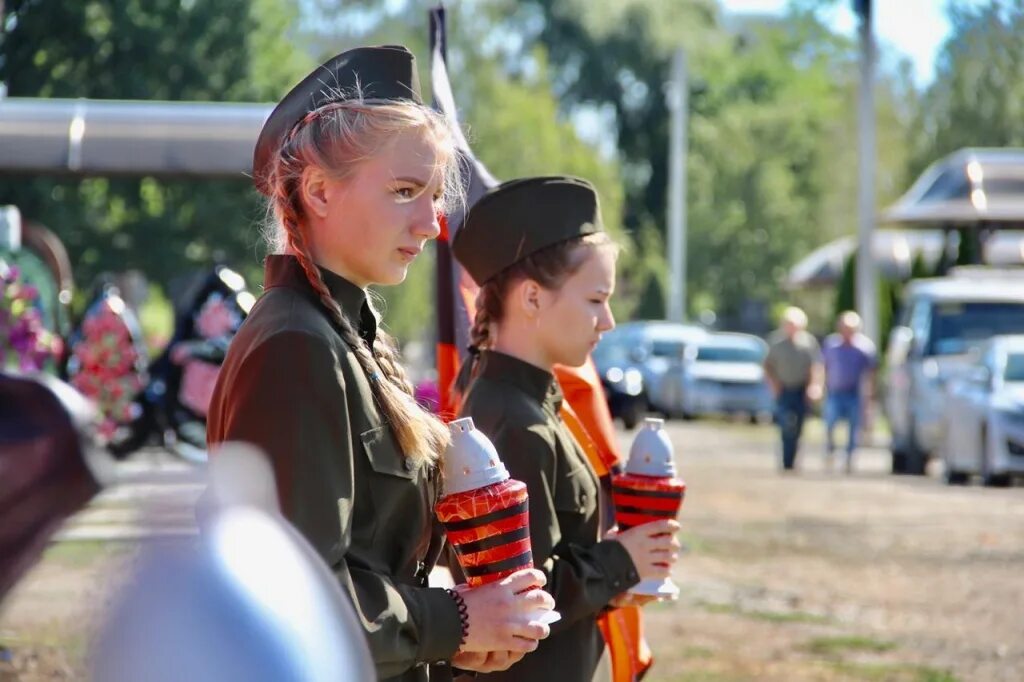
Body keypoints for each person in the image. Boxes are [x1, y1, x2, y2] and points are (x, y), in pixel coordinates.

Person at [206, 46, 553, 681]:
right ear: (318, 191)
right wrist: (459, 620)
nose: (430, 222)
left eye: (433, 195)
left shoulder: (347, 336)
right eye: (404, 191)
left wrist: (474, 618)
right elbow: (298, 598)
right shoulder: (296, 346)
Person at [451, 177, 681, 682]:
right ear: (532, 298)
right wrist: (622, 560)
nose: (609, 322)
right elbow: (523, 600)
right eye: (596, 299)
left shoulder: (531, 404)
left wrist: (618, 573)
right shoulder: (514, 422)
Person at [764, 306, 823, 471]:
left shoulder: (808, 343)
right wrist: (773, 384)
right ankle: (786, 461)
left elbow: (815, 366)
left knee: (799, 426)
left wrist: (814, 386)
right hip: (784, 389)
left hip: (801, 390)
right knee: (786, 424)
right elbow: (767, 366)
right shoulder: (776, 343)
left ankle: (795, 458)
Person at [821, 311, 877, 473]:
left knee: (854, 428)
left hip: (855, 393)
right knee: (830, 423)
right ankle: (830, 450)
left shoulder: (864, 348)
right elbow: (823, 367)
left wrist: (870, 396)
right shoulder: (831, 345)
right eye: (844, 328)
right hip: (834, 392)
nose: (847, 332)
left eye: (850, 329)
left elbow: (871, 373)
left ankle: (849, 459)